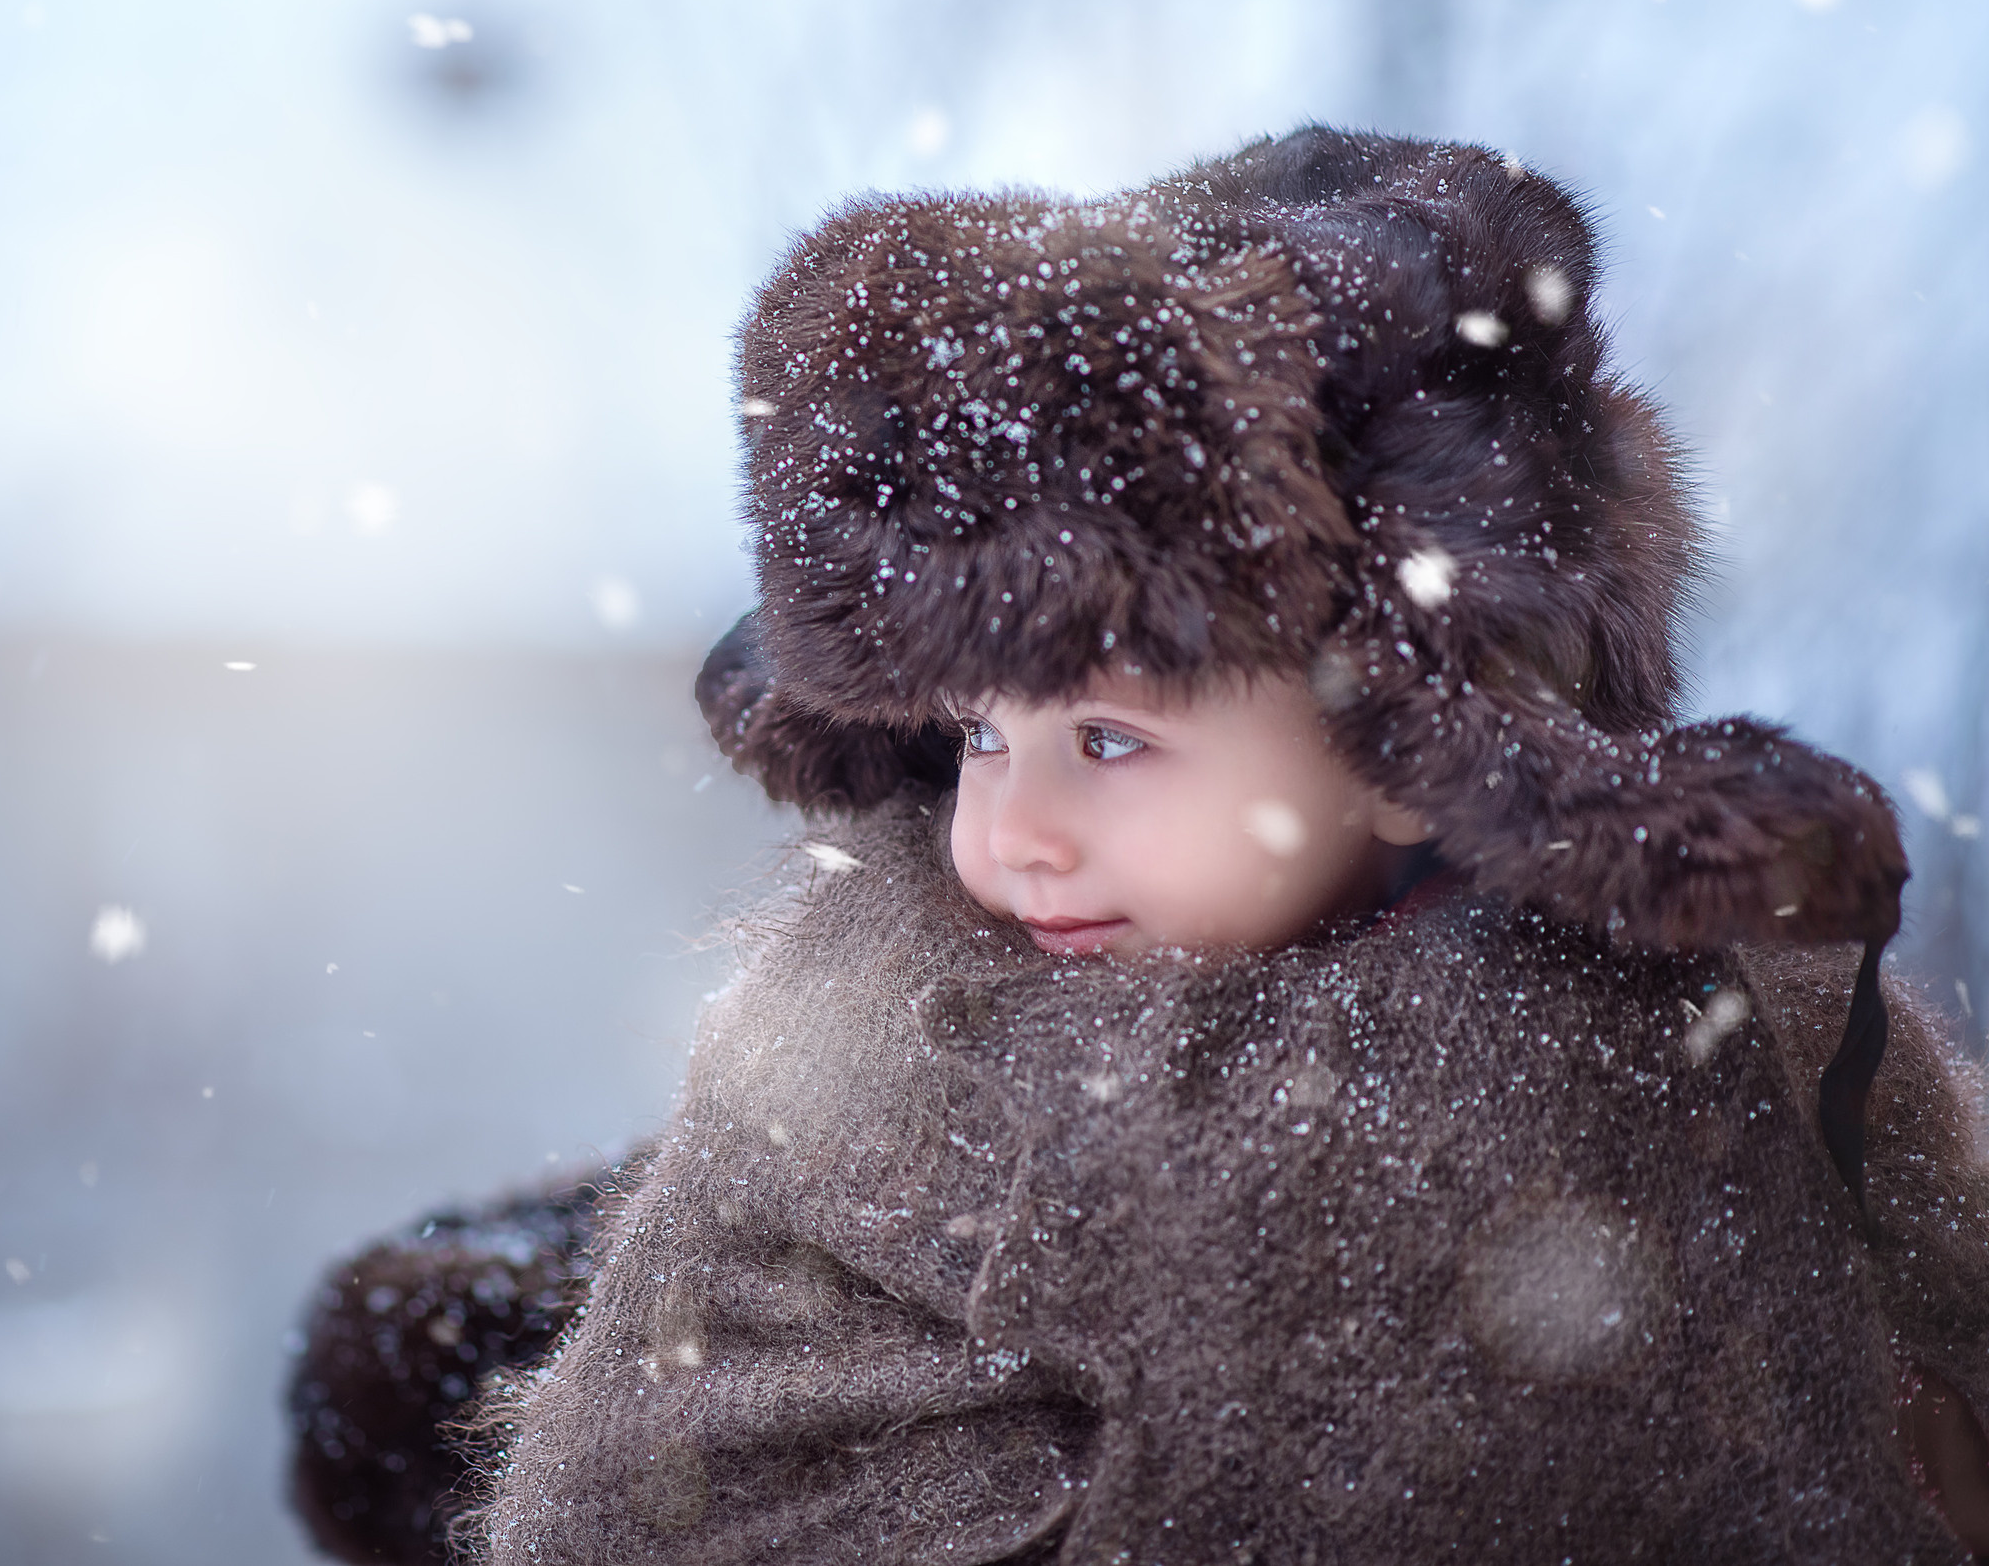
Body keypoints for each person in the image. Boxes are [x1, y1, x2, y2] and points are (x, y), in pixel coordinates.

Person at [291, 127, 1989, 1564]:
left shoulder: (1719, 1049)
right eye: (974, 733)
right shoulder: (876, 1043)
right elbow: (662, 1465)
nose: (1013, 827)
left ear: (1407, 745)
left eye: (1112, 738)